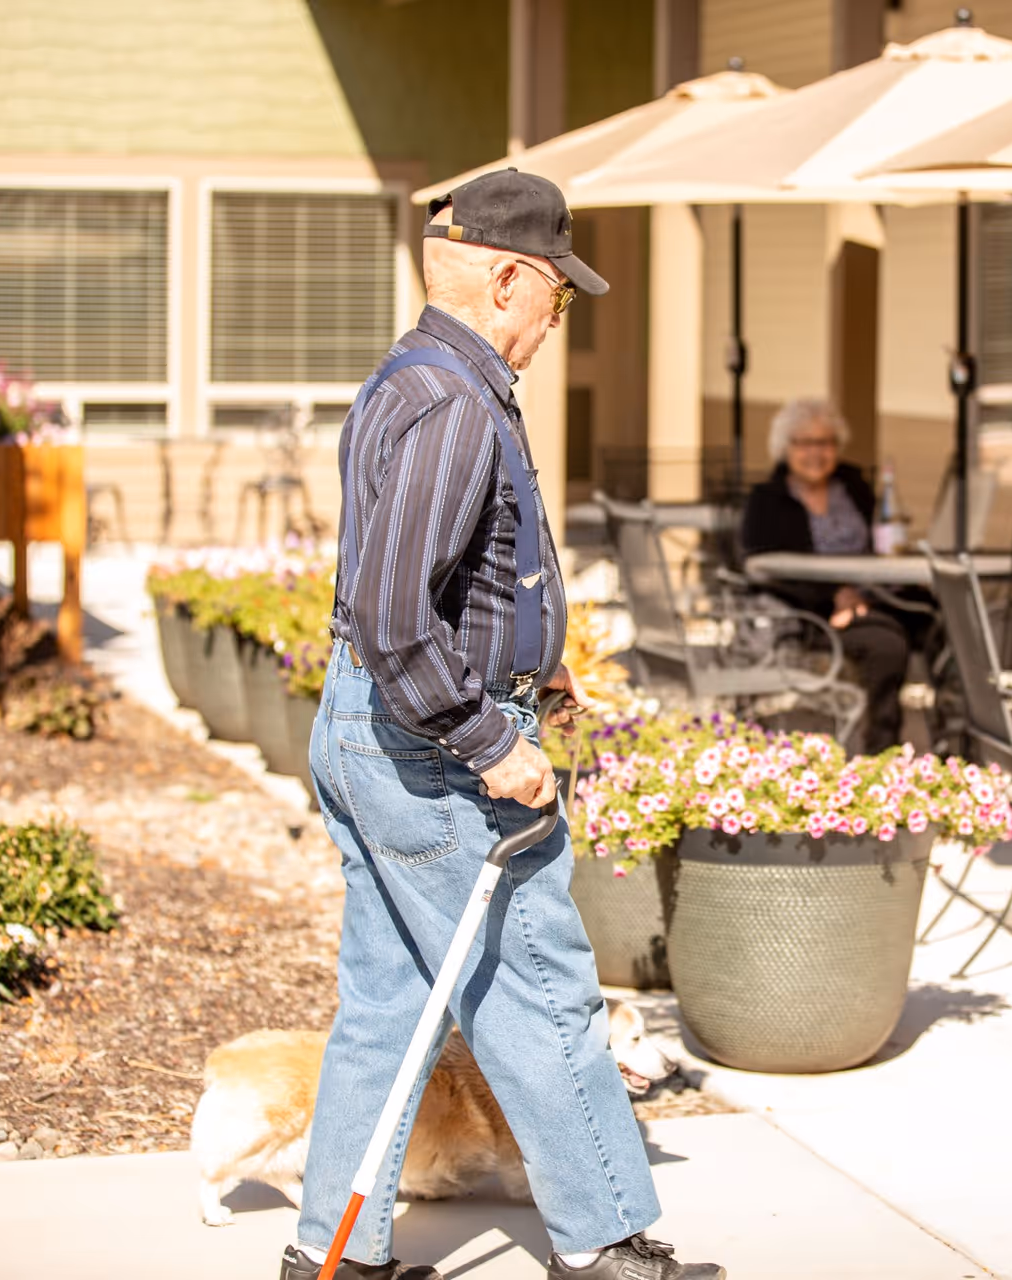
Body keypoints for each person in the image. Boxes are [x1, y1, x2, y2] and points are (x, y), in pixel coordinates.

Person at [286, 170, 722, 1280]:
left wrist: (538, 663)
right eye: (555, 300)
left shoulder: (412, 377)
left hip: (376, 724)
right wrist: (490, 737)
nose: (554, 325)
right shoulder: (455, 401)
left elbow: (431, 583)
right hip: (432, 750)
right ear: (508, 279)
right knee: (541, 987)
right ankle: (607, 1239)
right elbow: (395, 612)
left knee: (390, 1002)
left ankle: (329, 1255)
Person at [738, 398, 911, 754]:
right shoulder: (766, 500)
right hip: (807, 613)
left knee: (943, 617)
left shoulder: (853, 487)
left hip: (873, 593)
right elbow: (762, 569)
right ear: (785, 448)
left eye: (826, 442)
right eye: (805, 443)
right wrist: (833, 596)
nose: (816, 452)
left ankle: (955, 737)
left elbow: (879, 538)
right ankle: (882, 754)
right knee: (886, 644)